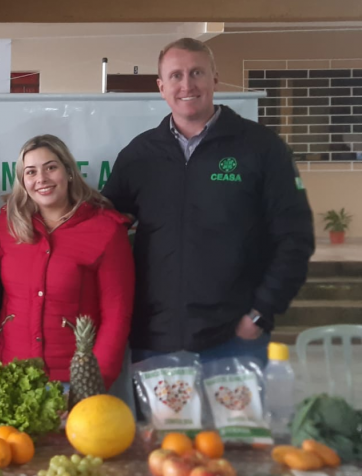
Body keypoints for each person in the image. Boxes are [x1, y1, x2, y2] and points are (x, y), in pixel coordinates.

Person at [101, 38, 315, 366]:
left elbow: (295, 238)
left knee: (236, 422)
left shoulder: (262, 148)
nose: (187, 84)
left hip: (235, 339)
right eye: (175, 76)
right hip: (155, 340)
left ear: (215, 79)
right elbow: (101, 230)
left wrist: (260, 314)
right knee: (156, 423)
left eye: (197, 72)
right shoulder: (138, 156)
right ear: (161, 87)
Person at [0, 135, 134, 390]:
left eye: (50, 167)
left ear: (68, 172)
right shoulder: (6, 226)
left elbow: (117, 315)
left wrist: (94, 382)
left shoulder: (106, 229)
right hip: (12, 376)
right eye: (31, 172)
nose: (41, 179)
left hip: (74, 382)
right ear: (23, 181)